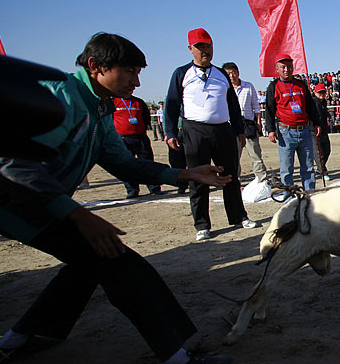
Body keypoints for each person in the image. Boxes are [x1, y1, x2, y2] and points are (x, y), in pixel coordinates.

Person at [0, 33, 233, 364]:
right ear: (96, 66)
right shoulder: (60, 97)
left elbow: (122, 162)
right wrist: (77, 214)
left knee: (87, 264)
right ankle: (176, 359)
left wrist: (184, 173)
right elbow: (13, 163)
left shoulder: (102, 107)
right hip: (14, 204)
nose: (137, 82)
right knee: (119, 261)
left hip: (38, 204)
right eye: (131, 72)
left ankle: (21, 338)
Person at [164, 28, 257, 241]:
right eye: (200, 47)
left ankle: (238, 216)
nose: (205, 51)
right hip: (195, 131)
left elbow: (232, 104)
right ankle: (202, 224)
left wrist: (238, 130)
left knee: (230, 175)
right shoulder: (181, 74)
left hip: (222, 130)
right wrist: (170, 132)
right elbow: (171, 104)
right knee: (198, 178)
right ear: (190, 49)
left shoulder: (221, 74)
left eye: (208, 46)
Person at [264, 55, 321, 200]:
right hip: (285, 132)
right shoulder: (273, 87)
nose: (286, 70)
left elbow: (310, 105)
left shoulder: (301, 85)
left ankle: (309, 197)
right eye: (283, 67)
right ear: (277, 69)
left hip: (305, 130)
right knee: (287, 169)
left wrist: (317, 122)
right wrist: (270, 129)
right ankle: (288, 199)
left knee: (308, 167)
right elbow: (269, 109)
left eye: (289, 66)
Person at [222, 62, 268, 184]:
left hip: (248, 124)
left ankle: (262, 178)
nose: (231, 75)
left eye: (233, 72)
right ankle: (235, 179)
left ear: (238, 72)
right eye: (228, 73)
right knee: (234, 156)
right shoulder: (224, 89)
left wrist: (258, 121)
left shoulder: (248, 86)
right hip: (232, 126)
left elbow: (256, 107)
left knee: (255, 154)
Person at [112, 94, 161, 198]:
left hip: (140, 137)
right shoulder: (113, 102)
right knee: (126, 165)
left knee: (148, 162)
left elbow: (146, 118)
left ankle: (154, 188)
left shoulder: (139, 102)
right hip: (123, 139)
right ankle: (132, 189)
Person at [311, 83, 332, 181]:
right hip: (314, 130)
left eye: (323, 92)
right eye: (320, 92)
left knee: (327, 150)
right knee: (319, 152)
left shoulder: (324, 102)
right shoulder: (312, 102)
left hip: (323, 130)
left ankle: (320, 168)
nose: (322, 94)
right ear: (315, 92)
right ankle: (323, 171)